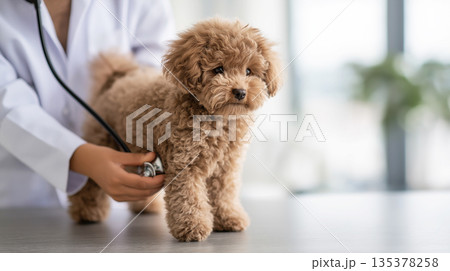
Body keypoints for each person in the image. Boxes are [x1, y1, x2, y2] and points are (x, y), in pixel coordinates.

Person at [0, 0, 174, 207]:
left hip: (124, 211)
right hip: (24, 203)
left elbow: (159, 71)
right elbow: (7, 101)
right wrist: (80, 157)